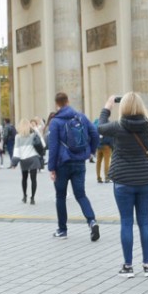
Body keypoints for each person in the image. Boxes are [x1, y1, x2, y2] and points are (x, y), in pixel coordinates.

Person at [99, 93, 148, 277]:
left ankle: (128, 266)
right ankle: (147, 265)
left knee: (126, 222)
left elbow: (100, 127)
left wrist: (108, 106)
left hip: (123, 180)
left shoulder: (118, 126)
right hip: (146, 179)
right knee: (145, 222)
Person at [46, 92, 100, 241]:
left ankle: (62, 230)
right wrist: (91, 152)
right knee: (81, 195)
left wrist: (51, 168)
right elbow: (94, 133)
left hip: (62, 163)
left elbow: (54, 147)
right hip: (79, 162)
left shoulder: (55, 122)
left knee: (60, 196)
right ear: (68, 101)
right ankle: (92, 221)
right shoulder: (80, 116)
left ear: (57, 104)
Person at [13, 118, 43, 205]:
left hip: (24, 159)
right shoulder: (33, 134)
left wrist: (14, 162)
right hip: (33, 158)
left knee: (24, 179)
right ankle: (32, 198)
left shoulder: (17, 137)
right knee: (34, 179)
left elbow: (16, 149)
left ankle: (24, 196)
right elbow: (40, 140)